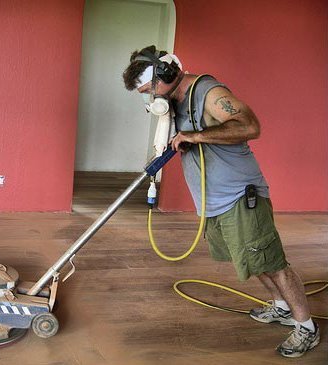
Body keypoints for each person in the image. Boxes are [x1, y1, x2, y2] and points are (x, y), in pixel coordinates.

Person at [122, 45, 320, 358]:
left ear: (166, 75)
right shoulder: (176, 101)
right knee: (252, 260)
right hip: (214, 200)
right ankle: (281, 307)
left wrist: (195, 137)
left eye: (150, 90)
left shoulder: (210, 92)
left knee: (274, 264)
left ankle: (306, 327)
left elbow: (250, 127)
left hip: (240, 195)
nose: (150, 98)